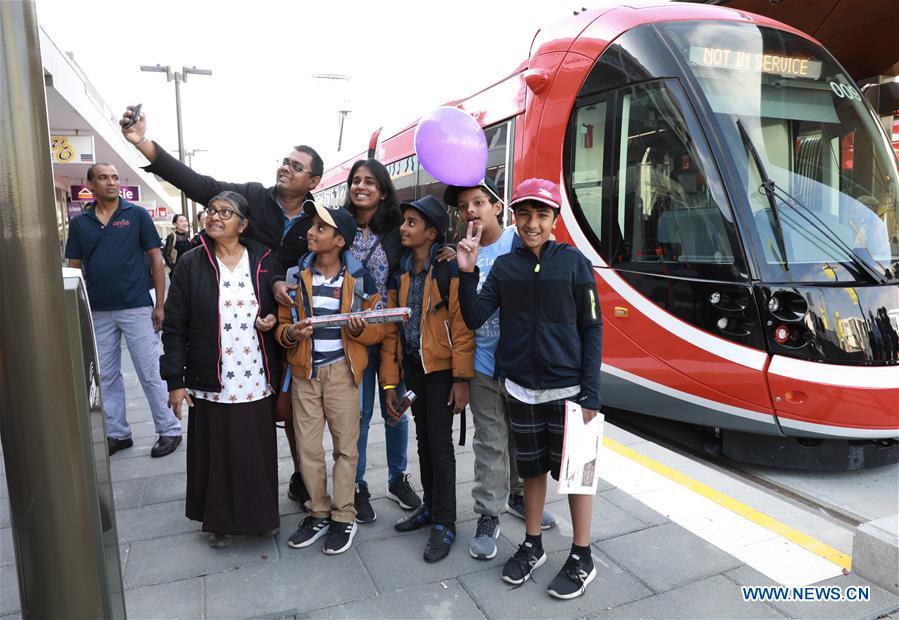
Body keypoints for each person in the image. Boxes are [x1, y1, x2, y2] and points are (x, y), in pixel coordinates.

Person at [121, 106, 317, 506]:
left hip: (295, 331)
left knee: (298, 414)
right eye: (284, 161)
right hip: (245, 329)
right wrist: (144, 143)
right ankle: (225, 501)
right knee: (243, 422)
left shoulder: (319, 217)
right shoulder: (252, 197)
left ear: (312, 180)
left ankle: (303, 480)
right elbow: (197, 183)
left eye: (296, 166)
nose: (285, 168)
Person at [456, 179, 602, 599]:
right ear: (514, 217)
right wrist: (467, 273)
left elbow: (592, 328)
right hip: (521, 387)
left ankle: (581, 554)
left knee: (578, 476)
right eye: (524, 214)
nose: (531, 224)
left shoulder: (574, 264)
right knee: (532, 469)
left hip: (570, 389)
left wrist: (591, 391)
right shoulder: (505, 267)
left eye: (541, 215)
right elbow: (475, 316)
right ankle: (533, 543)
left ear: (555, 220)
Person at [442, 178, 555, 562]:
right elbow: (461, 318)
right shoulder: (460, 253)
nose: (471, 211)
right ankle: (488, 514)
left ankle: (520, 495)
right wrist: (461, 375)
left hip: (521, 364)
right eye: (463, 206)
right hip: (483, 366)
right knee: (490, 442)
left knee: (523, 439)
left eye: (478, 203)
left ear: (496, 207)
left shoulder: (515, 242)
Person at [161, 191, 280, 547]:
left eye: (225, 212)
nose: (214, 216)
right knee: (215, 450)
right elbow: (174, 325)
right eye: (210, 210)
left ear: (242, 225)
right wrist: (175, 381)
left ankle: (260, 517)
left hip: (255, 373)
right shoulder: (191, 263)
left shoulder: (262, 258)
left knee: (253, 448)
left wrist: (272, 320)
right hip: (210, 374)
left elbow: (277, 306)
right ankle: (219, 521)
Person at [276, 204, 385, 555]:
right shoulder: (295, 277)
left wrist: (361, 330)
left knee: (345, 448)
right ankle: (318, 511)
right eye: (312, 225)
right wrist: (291, 333)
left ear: (339, 240)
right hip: (304, 374)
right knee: (308, 448)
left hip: (343, 372)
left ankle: (343, 515)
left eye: (320, 228)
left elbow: (378, 328)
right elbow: (281, 328)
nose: (311, 231)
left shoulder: (359, 278)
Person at [64, 162, 182, 458]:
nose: (111, 182)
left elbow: (157, 260)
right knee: (105, 375)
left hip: (137, 305)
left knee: (150, 370)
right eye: (103, 178)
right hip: (98, 310)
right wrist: (76, 311)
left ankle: (169, 429)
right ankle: (117, 433)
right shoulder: (80, 224)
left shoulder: (137, 215)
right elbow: (74, 269)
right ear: (90, 184)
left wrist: (160, 305)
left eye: (115, 177)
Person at [381, 195, 474, 563]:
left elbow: (463, 327)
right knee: (422, 441)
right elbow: (391, 330)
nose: (403, 228)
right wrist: (390, 382)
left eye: (411, 223)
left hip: (441, 372)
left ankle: (447, 522)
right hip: (414, 371)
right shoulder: (400, 273)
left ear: (431, 233)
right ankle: (431, 508)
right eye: (403, 222)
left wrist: (462, 378)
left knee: (440, 446)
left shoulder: (447, 270)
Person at [341, 159, 422, 522]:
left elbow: (422, 251)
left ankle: (397, 478)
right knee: (358, 414)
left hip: (392, 335)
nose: (361, 186)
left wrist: (444, 252)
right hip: (353, 335)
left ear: (383, 190)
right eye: (356, 181)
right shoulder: (339, 225)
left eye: (369, 182)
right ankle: (357, 485)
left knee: (396, 411)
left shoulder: (396, 229)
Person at [163, 214, 194, 278]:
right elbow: (166, 254)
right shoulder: (172, 236)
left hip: (188, 269)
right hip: (176, 271)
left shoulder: (187, 235)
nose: (184, 223)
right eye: (181, 221)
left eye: (186, 221)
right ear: (175, 224)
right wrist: (174, 268)